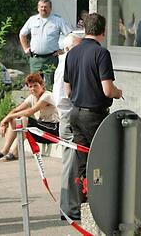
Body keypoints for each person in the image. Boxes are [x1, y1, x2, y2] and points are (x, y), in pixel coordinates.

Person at [64, 13, 123, 202]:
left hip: (75, 113)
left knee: (82, 161)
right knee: (100, 160)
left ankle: (83, 201)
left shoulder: (72, 53)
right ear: (103, 31)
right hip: (94, 116)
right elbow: (107, 90)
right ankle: (98, 199)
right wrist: (118, 92)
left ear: (85, 29)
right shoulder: (101, 53)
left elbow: (67, 90)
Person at [0, 73, 59, 161]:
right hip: (40, 128)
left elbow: (29, 112)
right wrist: (5, 121)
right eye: (30, 86)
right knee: (15, 119)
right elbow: (16, 110)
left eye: (35, 85)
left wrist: (8, 118)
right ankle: (4, 151)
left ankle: (15, 153)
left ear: (42, 85)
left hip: (52, 130)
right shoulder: (32, 97)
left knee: (23, 118)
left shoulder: (47, 96)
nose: (33, 89)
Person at [54, 30, 84, 221]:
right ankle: (70, 207)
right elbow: (61, 98)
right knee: (71, 164)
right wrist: (70, 116)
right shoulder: (66, 63)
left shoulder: (69, 61)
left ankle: (73, 205)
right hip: (69, 119)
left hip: (72, 117)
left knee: (75, 163)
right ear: (69, 48)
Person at [19, 0, 73, 90]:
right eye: (41, 7)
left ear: (50, 8)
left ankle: (49, 100)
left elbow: (70, 35)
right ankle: (37, 100)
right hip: (35, 59)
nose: (43, 9)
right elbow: (22, 34)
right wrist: (25, 48)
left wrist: (63, 50)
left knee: (50, 86)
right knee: (34, 85)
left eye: (46, 7)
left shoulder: (57, 20)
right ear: (38, 8)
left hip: (51, 58)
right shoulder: (32, 20)